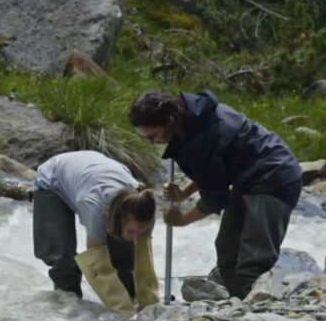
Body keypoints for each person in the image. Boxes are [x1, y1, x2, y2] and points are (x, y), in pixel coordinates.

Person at [127, 89, 303, 299]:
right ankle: (238, 304)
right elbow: (213, 171)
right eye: (147, 138)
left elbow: (216, 197)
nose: (154, 142)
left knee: (253, 261)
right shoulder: (191, 118)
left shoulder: (202, 134)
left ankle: (259, 315)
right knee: (227, 252)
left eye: (154, 136)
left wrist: (182, 220)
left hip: (274, 178)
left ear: (169, 120)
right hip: (248, 180)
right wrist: (183, 194)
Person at [32, 150, 160, 313]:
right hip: (53, 179)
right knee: (60, 255)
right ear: (118, 219)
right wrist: (123, 312)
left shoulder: (144, 207)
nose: (136, 237)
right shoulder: (95, 208)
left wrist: (150, 306)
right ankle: (69, 306)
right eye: (132, 231)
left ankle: (133, 299)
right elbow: (97, 262)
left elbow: (143, 260)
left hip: (93, 170)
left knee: (126, 255)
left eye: (140, 232)